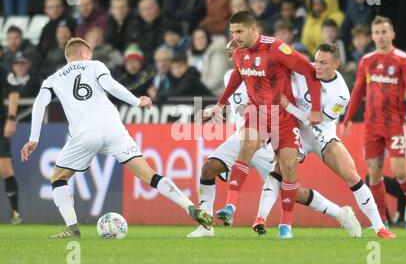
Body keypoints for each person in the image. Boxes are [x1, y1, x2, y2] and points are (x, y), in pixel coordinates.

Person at [20, 38, 214, 238]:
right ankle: (190, 207)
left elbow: (39, 105)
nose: (92, 55)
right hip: (114, 128)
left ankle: (72, 227)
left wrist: (34, 138)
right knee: (149, 175)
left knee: (58, 178)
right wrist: (137, 101)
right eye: (90, 51)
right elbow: (111, 86)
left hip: (85, 133)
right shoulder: (95, 66)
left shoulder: (52, 79)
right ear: (82, 53)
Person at [257, 43, 394, 239]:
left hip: (322, 133)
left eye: (323, 63)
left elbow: (316, 120)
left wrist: (288, 106)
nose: (317, 66)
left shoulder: (340, 94)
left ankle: (380, 227)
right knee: (279, 170)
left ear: (336, 64)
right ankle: (266, 220)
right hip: (296, 130)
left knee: (351, 175)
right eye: (316, 61)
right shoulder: (304, 70)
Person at [207, 11, 323, 238]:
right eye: (232, 32)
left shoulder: (276, 48)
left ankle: (285, 225)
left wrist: (316, 108)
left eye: (239, 31)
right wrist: (221, 103)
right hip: (257, 112)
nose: (236, 37)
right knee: (247, 145)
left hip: (283, 116)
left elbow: (309, 71)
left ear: (253, 29)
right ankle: (230, 206)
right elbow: (237, 77)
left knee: (288, 166)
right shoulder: (239, 53)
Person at [187, 39, 275, 238]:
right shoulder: (230, 77)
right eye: (229, 55)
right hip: (240, 137)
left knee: (294, 192)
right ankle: (206, 225)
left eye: (235, 53)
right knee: (208, 168)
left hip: (264, 142)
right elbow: (236, 103)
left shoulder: (262, 73)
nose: (232, 58)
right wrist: (216, 108)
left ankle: (338, 212)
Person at [342, 16, 406, 230]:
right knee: (374, 173)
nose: (380, 36)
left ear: (392, 34)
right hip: (371, 126)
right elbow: (357, 92)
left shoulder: (403, 60)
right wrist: (348, 118)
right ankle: (382, 222)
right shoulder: (367, 61)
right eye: (376, 32)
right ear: (372, 36)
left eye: (384, 32)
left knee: (399, 171)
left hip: (395, 124)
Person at [0, 62, 22, 224]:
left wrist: (11, 119)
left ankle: (16, 213)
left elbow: (13, 92)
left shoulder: (2, 69)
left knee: (4, 166)